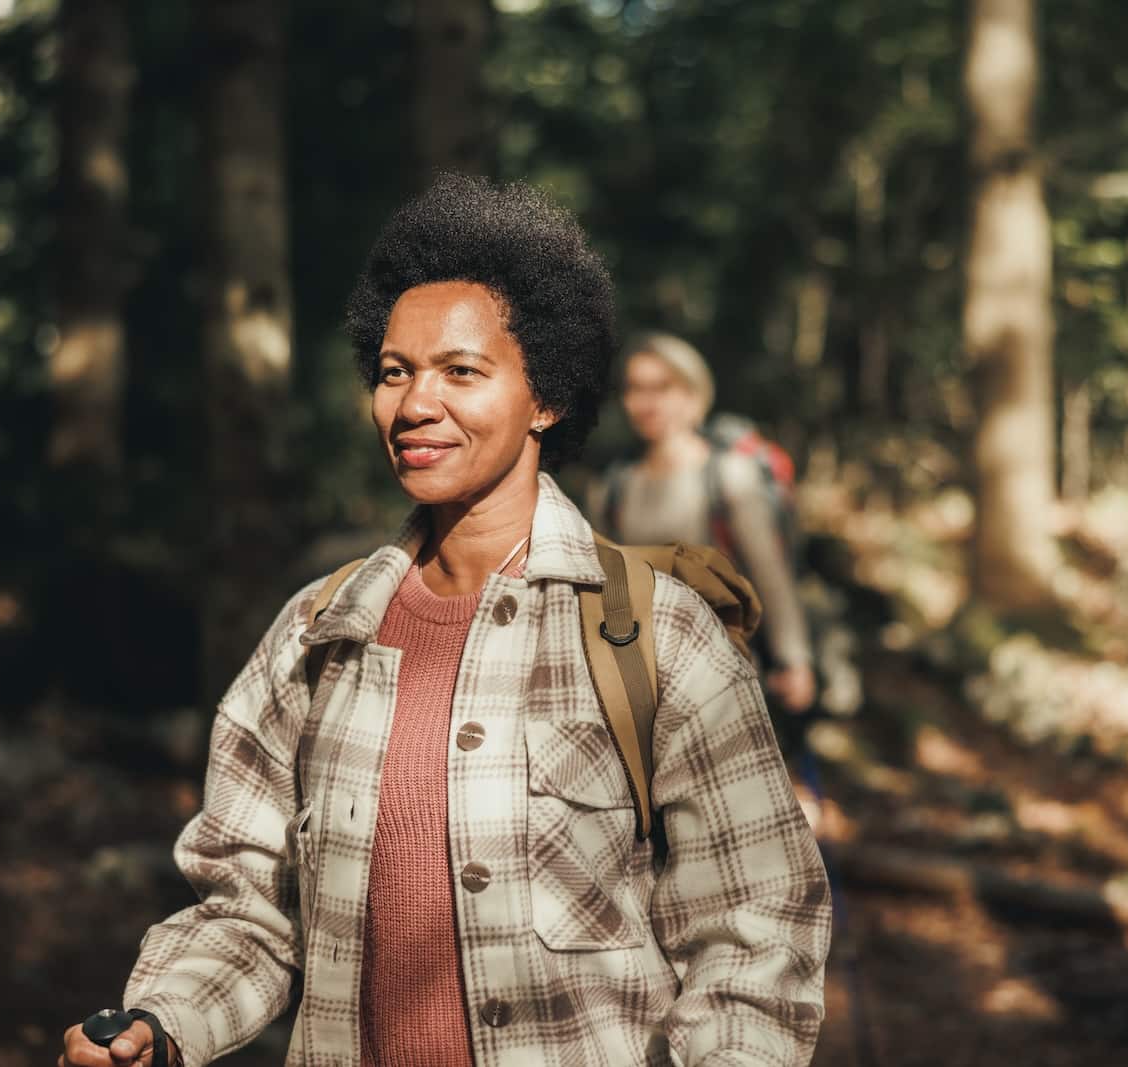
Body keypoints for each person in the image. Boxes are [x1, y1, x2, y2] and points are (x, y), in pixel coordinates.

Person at [60, 176, 830, 1067]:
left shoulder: (660, 636)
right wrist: (162, 1023)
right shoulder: (316, 636)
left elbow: (755, 927)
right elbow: (249, 910)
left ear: (546, 400)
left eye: (461, 370)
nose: (415, 404)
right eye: (395, 372)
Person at [592, 334, 816, 715]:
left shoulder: (729, 476)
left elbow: (769, 573)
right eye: (634, 389)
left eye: (661, 387)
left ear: (693, 395)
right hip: (640, 683)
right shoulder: (613, 486)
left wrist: (794, 660)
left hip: (726, 677)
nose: (645, 403)